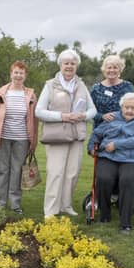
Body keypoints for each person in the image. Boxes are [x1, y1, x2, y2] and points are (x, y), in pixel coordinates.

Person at [36, 49, 97, 218]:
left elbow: (93, 110)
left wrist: (83, 115)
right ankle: (51, 210)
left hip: (76, 136)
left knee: (72, 173)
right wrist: (62, 117)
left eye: (72, 63)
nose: (69, 66)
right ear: (60, 65)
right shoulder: (50, 85)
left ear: (76, 66)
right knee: (55, 173)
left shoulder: (82, 85)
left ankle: (66, 205)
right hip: (57, 136)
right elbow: (39, 112)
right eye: (66, 63)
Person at [88, 93, 134, 233]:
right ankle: (105, 214)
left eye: (133, 108)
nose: (129, 110)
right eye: (126, 107)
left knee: (128, 179)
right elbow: (96, 134)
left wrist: (117, 144)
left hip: (133, 159)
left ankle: (125, 222)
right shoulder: (112, 118)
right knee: (104, 178)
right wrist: (91, 146)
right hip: (108, 156)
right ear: (121, 107)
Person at [0, 61, 38, 215]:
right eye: (15, 72)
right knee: (2, 170)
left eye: (21, 73)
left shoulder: (30, 95)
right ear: (11, 74)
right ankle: (1, 203)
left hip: (22, 139)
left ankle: (15, 204)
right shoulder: (1, 94)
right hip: (2, 138)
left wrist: (33, 141)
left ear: (25, 76)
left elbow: (34, 121)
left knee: (17, 171)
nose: (18, 75)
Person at [90, 54, 134, 128]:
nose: (112, 70)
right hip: (100, 132)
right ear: (104, 70)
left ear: (120, 70)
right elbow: (90, 110)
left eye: (115, 67)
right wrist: (102, 116)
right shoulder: (96, 88)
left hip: (122, 130)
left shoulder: (127, 87)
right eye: (109, 68)